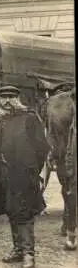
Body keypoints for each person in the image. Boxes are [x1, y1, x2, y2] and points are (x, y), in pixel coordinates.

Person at [0, 86, 50, 268]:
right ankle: (17, 249)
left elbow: (42, 148)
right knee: (11, 211)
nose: (7, 101)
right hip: (5, 176)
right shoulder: (2, 120)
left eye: (11, 97)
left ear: (18, 98)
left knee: (24, 213)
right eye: (3, 97)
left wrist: (31, 170)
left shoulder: (29, 118)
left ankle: (28, 254)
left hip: (24, 175)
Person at [64, 89, 76, 251]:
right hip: (74, 171)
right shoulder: (73, 124)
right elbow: (70, 146)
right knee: (72, 198)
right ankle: (71, 237)